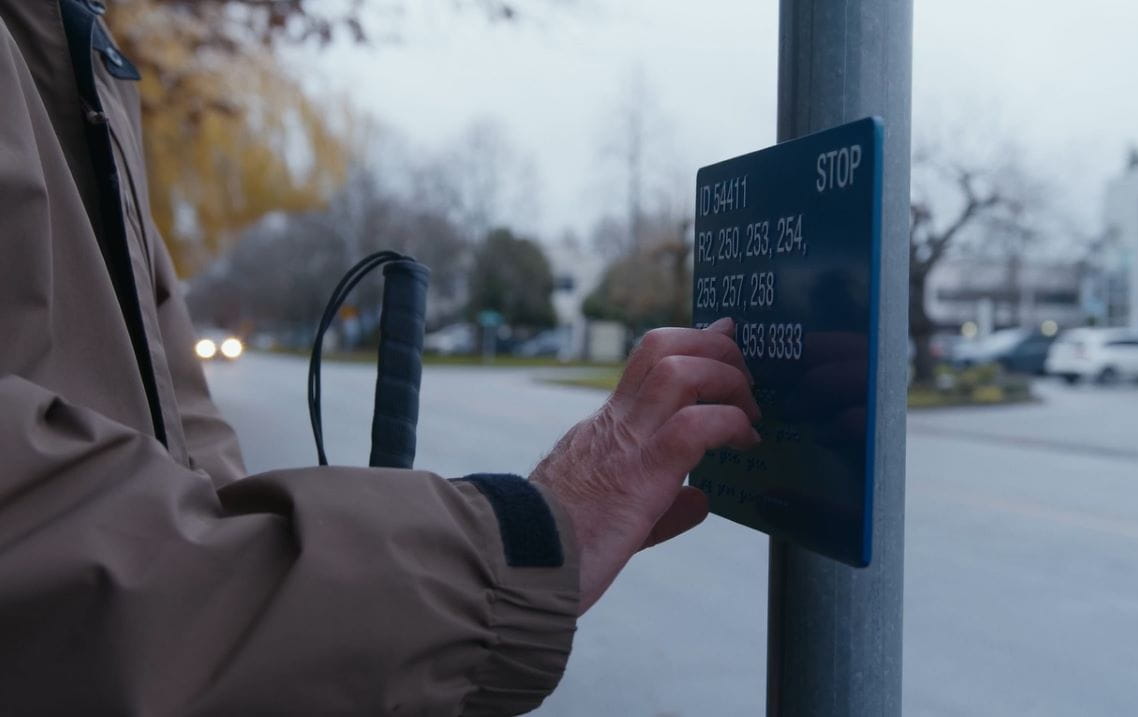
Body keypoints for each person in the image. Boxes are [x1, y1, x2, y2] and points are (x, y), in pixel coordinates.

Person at [0, 1, 760, 714]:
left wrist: (353, 647)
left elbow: (186, 473)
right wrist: (517, 543)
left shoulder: (68, 40)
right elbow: (41, 560)